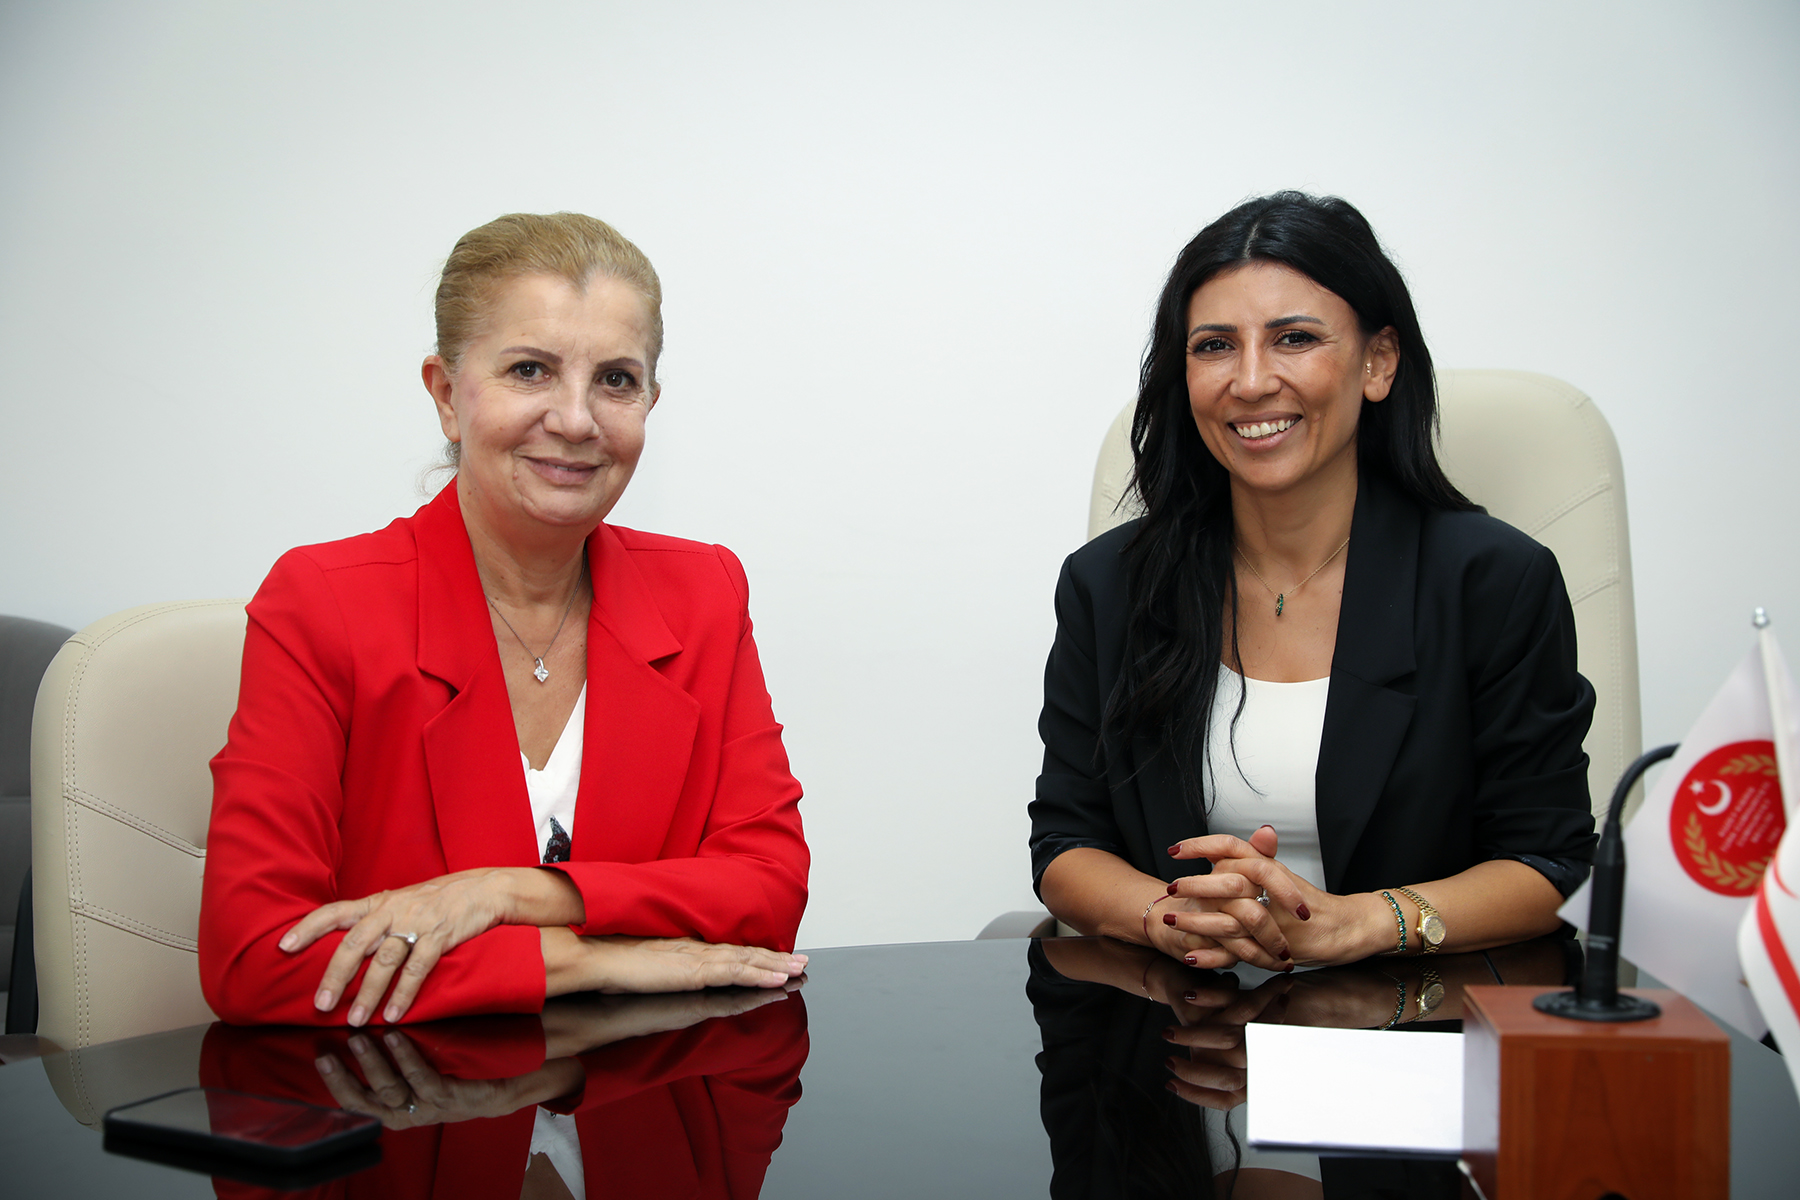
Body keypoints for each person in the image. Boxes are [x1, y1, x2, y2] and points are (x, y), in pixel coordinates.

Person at [200, 212, 809, 1028]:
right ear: (446, 395)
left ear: (650, 404)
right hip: (406, 1096)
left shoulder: (703, 592)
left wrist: (511, 892)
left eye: (616, 380)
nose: (577, 420)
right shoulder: (322, 601)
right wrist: (587, 960)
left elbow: (769, 890)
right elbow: (255, 957)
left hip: (644, 1094)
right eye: (530, 370)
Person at [1030, 192, 1596, 972]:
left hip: (1412, 1020)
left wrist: (1355, 924)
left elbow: (1546, 864)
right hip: (1183, 1021)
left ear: (1378, 362)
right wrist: (1171, 917)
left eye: (1293, 338)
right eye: (1215, 346)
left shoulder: (1494, 581)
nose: (1251, 381)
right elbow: (1067, 841)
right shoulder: (1110, 584)